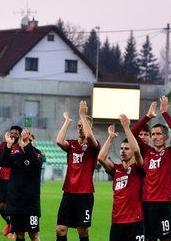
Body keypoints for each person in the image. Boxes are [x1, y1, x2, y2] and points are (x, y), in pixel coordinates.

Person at [130, 96, 171, 241]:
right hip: (145, 201)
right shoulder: (147, 151)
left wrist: (164, 113)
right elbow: (133, 133)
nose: (155, 137)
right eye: (153, 134)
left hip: (162, 203)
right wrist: (147, 116)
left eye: (159, 134)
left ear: (166, 137)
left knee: (165, 238)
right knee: (145, 237)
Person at [55, 101, 100, 241]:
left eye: (83, 126)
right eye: (79, 125)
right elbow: (58, 140)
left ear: (89, 128)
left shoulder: (94, 146)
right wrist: (67, 122)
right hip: (69, 192)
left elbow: (90, 137)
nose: (80, 128)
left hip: (85, 194)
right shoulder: (72, 145)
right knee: (60, 229)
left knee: (82, 230)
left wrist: (82, 115)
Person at [98, 115, 145, 241]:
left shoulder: (138, 169)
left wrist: (126, 127)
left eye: (126, 149)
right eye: (121, 148)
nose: (123, 151)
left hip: (135, 221)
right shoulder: (116, 169)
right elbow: (101, 158)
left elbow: (136, 150)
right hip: (117, 221)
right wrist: (111, 137)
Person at [0, 129, 43, 241]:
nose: (25, 142)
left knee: (34, 235)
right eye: (23, 140)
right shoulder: (17, 155)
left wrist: (27, 144)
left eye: (29, 140)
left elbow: (36, 163)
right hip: (15, 203)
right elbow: (3, 162)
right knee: (19, 234)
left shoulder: (38, 154)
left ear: (32, 142)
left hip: (31, 203)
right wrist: (9, 145)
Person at [0, 126, 21, 237]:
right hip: (3, 179)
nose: (13, 135)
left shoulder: (21, 147)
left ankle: (12, 229)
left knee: (11, 205)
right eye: (11, 133)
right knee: (1, 205)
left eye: (16, 133)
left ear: (19, 135)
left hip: (14, 181)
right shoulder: (3, 145)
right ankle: (9, 222)